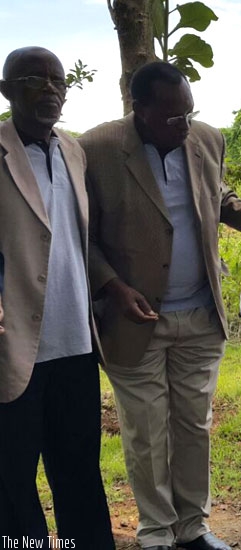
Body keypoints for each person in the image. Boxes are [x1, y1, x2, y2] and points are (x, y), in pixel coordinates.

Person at [81, 61, 241, 550]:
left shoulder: (205, 138)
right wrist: (114, 286)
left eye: (189, 113)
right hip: (133, 319)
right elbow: (84, 233)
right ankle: (157, 532)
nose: (183, 126)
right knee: (146, 433)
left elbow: (217, 194)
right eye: (171, 117)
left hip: (200, 314)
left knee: (193, 427)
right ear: (138, 109)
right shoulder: (95, 149)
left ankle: (194, 527)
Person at [0, 47, 114, 547]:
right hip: (12, 345)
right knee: (11, 476)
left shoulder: (72, 151)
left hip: (74, 340)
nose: (50, 89)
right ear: (6, 91)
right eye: (33, 79)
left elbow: (77, 237)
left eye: (58, 81)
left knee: (78, 469)